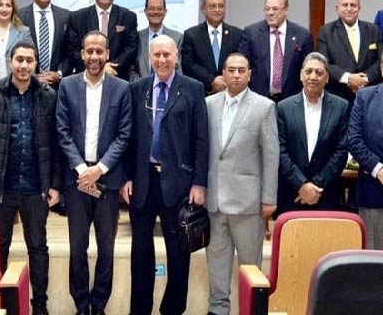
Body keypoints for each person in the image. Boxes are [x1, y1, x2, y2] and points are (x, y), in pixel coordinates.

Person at [0, 42, 61, 315]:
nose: (24, 65)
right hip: (1, 188)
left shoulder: (48, 96)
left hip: (36, 187)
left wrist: (55, 185)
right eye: (19, 59)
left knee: (38, 248)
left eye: (29, 60)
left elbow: (57, 145)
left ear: (36, 64)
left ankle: (40, 305)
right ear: (10, 62)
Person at [121, 34, 208, 315]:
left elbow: (201, 139)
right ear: (149, 57)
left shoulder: (193, 89)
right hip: (143, 182)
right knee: (140, 254)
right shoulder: (137, 89)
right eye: (156, 55)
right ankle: (140, 310)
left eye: (167, 55)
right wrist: (127, 177)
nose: (162, 60)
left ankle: (172, 309)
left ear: (176, 57)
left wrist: (199, 182)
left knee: (179, 254)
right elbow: (128, 138)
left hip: (179, 185)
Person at [56, 30, 132, 315]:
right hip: (76, 180)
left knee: (106, 249)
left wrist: (99, 169)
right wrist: (82, 169)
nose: (95, 56)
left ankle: (99, 305)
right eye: (90, 51)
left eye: (100, 51)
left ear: (107, 54)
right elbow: (62, 131)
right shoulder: (67, 86)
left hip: (107, 180)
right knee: (77, 248)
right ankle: (81, 305)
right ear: (82, 54)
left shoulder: (122, 88)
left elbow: (124, 135)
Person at [205, 53, 279, 315]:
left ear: (249, 74)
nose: (236, 74)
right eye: (231, 70)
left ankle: (251, 310)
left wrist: (269, 198)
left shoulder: (263, 107)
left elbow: (271, 155)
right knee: (216, 261)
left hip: (248, 202)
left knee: (250, 267)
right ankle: (218, 308)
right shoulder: (208, 104)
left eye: (241, 70)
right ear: (223, 74)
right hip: (214, 200)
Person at [277, 52, 349, 213]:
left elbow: (341, 151)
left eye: (319, 72)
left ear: (327, 78)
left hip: (326, 193)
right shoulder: (283, 107)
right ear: (301, 75)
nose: (313, 77)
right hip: (292, 193)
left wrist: (315, 187)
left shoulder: (341, 107)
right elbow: (280, 151)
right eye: (308, 71)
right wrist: (301, 185)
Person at [239, 0, 313, 102]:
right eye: (267, 9)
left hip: (291, 100)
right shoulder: (251, 33)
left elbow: (308, 69)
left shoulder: (302, 35)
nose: (270, 13)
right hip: (258, 99)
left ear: (286, 10)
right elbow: (242, 65)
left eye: (275, 9)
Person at [67, 0, 138, 80]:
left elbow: (131, 48)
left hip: (118, 77)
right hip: (85, 78)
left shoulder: (128, 17)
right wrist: (96, 67)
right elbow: (73, 50)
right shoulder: (77, 17)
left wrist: (110, 68)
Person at [316, 0, 382, 104]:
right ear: (337, 8)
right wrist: (348, 78)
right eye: (345, 5)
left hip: (369, 96)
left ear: (359, 8)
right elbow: (323, 62)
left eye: (353, 5)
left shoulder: (373, 30)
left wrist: (363, 80)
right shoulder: (326, 31)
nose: (349, 8)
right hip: (338, 97)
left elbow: (381, 60)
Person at [348, 51, 383, 249]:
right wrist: (379, 170)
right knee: (374, 260)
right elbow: (354, 140)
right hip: (373, 192)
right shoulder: (365, 96)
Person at [181, 0, 243, 94]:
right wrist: (212, 81)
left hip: (230, 91)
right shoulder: (191, 35)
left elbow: (240, 62)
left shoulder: (237, 34)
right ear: (203, 9)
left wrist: (225, 80)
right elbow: (188, 64)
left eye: (221, 6)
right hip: (202, 92)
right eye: (212, 6)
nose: (217, 10)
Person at [18, 0, 70, 86]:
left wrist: (59, 74)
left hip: (57, 86)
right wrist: (30, 75)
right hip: (27, 85)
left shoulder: (66, 16)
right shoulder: (19, 16)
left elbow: (69, 51)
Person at [131, 0, 183, 80]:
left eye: (159, 9)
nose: (155, 12)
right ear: (145, 12)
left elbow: (178, 69)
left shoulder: (177, 38)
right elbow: (132, 69)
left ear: (165, 12)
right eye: (152, 8)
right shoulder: (137, 38)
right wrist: (140, 85)